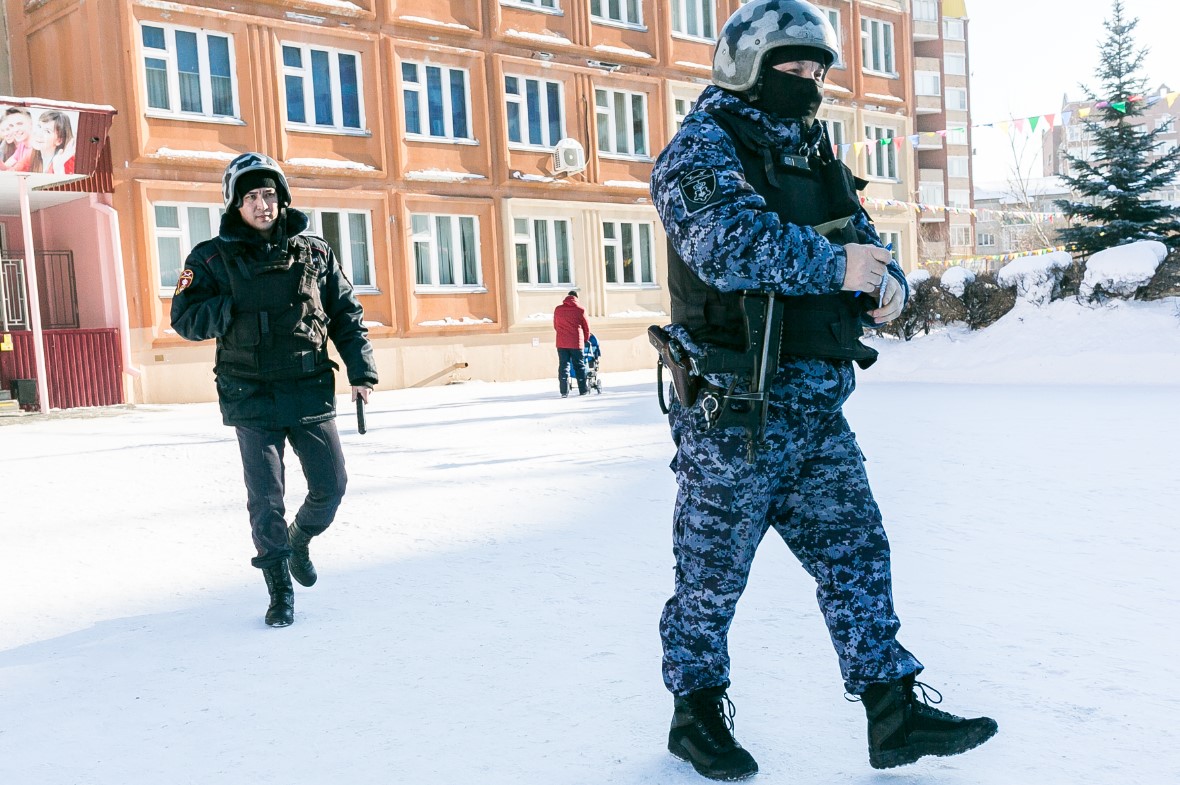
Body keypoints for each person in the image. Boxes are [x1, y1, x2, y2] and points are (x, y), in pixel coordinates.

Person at [648, 1, 997, 780]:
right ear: (744, 67)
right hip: (733, 413)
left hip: (813, 408)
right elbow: (729, 244)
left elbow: (865, 239)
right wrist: (835, 268)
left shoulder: (812, 151)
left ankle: (892, 709)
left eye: (815, 72)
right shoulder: (699, 150)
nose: (807, 86)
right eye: (791, 71)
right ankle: (695, 713)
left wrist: (889, 287)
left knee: (858, 557)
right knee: (709, 583)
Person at [170, 152, 378, 628]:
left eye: (269, 195)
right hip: (250, 394)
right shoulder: (208, 258)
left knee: (332, 484)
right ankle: (279, 588)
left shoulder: (315, 252)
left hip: (307, 387)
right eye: (251, 197)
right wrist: (230, 308)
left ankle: (300, 538)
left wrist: (362, 373)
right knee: (265, 498)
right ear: (234, 204)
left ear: (282, 199)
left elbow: (347, 315)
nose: (262, 205)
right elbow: (183, 318)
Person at [553, 290, 591, 397]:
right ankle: (583, 390)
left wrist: (562, 334)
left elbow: (555, 326)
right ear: (576, 298)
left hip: (561, 343)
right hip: (576, 343)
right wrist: (585, 339)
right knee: (579, 366)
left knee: (563, 365)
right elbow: (586, 328)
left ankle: (564, 391)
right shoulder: (581, 310)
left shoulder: (558, 309)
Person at [29, 110, 75, 175]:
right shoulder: (32, 155)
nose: (38, 133)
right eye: (39, 126)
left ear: (59, 141)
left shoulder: (67, 163)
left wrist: (58, 168)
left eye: (47, 131)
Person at [0, 107, 34, 172]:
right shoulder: (22, 145)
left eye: (19, 124)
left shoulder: (36, 148)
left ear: (31, 124)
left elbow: (13, 171)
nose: (15, 129)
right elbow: (6, 167)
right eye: (11, 126)